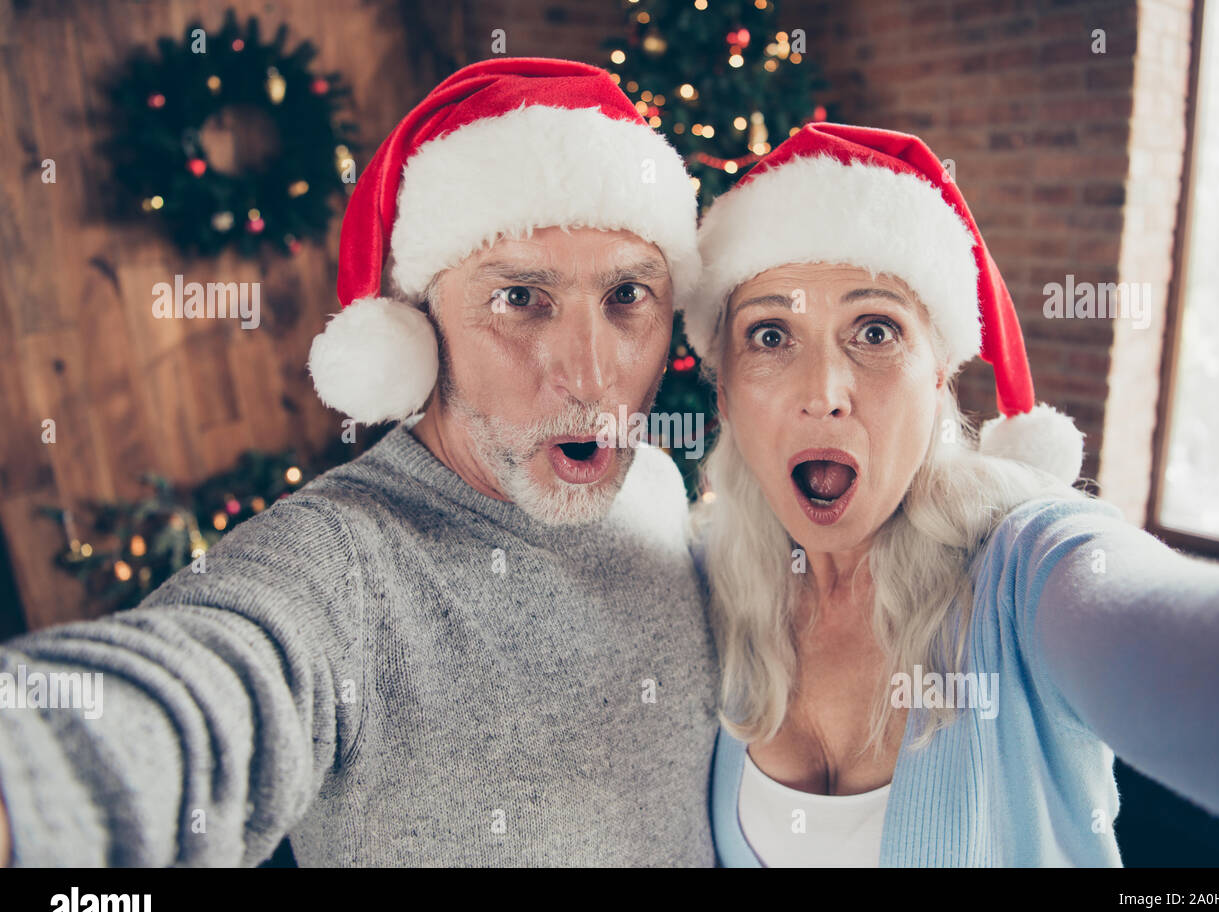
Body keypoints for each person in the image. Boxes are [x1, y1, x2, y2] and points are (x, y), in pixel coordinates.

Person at [0, 58, 720, 866]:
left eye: (628, 297)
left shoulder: (656, 486)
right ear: (418, 325)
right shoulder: (341, 564)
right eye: (520, 299)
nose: (591, 378)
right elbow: (201, 693)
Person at [681, 123, 1219, 866]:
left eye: (874, 331)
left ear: (939, 372)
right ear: (724, 388)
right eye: (771, 335)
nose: (825, 393)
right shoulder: (703, 586)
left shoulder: (1028, 569)